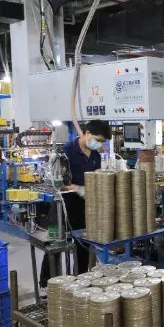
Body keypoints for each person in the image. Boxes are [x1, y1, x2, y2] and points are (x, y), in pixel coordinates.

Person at [40, 119, 111, 286]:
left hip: (83, 208)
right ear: (87, 133)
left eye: (102, 142)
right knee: (54, 246)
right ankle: (46, 285)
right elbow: (57, 181)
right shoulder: (66, 152)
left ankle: (81, 282)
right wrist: (78, 189)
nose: (99, 144)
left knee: (83, 246)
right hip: (61, 207)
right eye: (98, 140)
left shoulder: (95, 155)